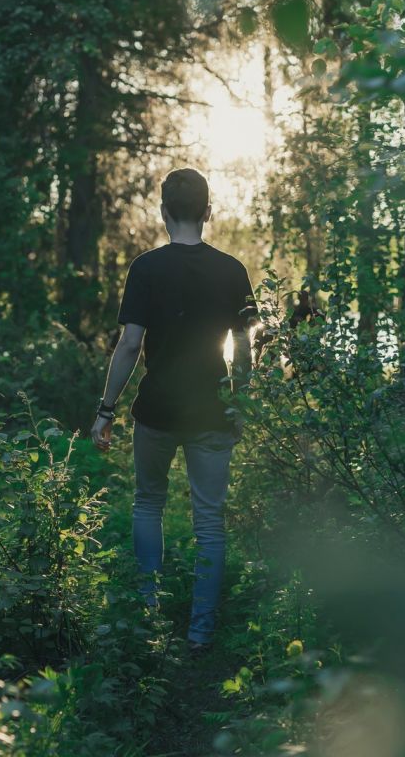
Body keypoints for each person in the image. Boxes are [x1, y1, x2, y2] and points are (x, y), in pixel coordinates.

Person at [90, 168, 256, 650]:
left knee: (148, 504)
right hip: (212, 412)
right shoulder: (232, 270)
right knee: (210, 521)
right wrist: (239, 400)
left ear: (163, 212)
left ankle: (148, 616)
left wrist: (106, 409)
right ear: (208, 211)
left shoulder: (146, 268)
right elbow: (246, 345)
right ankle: (200, 633)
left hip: (156, 410)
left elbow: (129, 345)